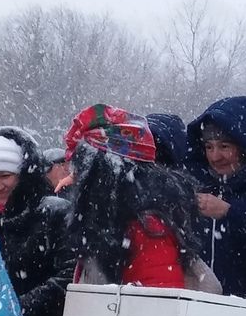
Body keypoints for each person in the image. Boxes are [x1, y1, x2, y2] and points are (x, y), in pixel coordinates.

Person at [63, 105, 215, 291]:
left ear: (102, 174)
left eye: (80, 168)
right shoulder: (108, 222)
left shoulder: (147, 231)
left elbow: (159, 306)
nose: (74, 176)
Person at [0, 126, 75, 316]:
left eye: (5, 176)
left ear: (23, 174)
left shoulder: (54, 212)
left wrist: (18, 308)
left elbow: (69, 275)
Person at [186, 96, 246, 299]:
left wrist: (230, 214)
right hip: (198, 314)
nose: (215, 157)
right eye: (208, 147)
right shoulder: (195, 187)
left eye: (224, 146)